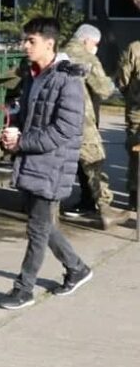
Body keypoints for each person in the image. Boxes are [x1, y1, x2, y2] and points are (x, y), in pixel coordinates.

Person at [0, 17, 91, 309]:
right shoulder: (35, 75)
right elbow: (30, 114)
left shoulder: (67, 79)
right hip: (33, 161)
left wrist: (23, 143)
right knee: (41, 225)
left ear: (49, 44)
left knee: (37, 229)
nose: (25, 46)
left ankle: (24, 289)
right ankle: (77, 268)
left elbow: (65, 129)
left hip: (51, 165)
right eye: (25, 40)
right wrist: (14, 127)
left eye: (31, 41)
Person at [61, 23, 115, 228]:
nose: (96, 47)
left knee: (65, 162)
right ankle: (105, 208)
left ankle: (58, 206)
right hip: (82, 120)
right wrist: (111, 82)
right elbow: (104, 89)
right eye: (96, 43)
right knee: (94, 162)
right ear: (86, 41)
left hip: (60, 120)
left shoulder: (59, 54)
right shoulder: (87, 58)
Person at [115, 39, 140, 213]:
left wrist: (131, 96)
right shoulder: (135, 48)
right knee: (135, 152)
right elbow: (123, 79)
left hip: (136, 111)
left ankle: (135, 196)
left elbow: (123, 79)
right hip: (137, 112)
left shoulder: (135, 48)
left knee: (136, 155)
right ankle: (134, 195)